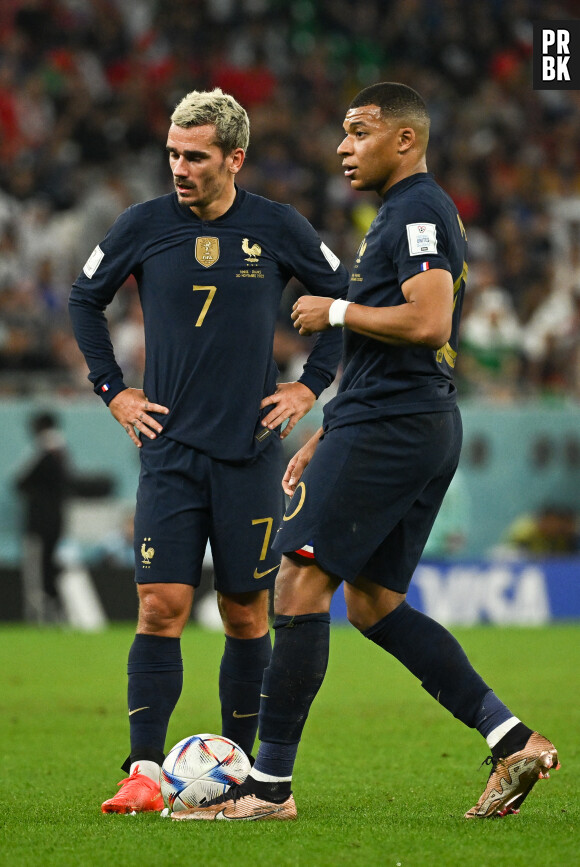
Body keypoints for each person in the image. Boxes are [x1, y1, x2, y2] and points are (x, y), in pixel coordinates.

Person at [173, 82, 559, 823]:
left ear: (405, 140)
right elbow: (397, 348)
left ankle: (268, 787)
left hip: (394, 426)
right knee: (375, 604)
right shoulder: (401, 213)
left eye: (358, 132)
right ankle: (511, 736)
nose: (343, 147)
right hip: (399, 419)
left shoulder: (417, 208)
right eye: (343, 134)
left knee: (298, 585)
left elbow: (429, 317)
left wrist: (336, 310)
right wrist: (330, 428)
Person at [68, 87, 349, 814]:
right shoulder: (142, 225)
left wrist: (308, 386)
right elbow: (82, 299)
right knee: (161, 605)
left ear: (234, 158)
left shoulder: (277, 226)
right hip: (168, 450)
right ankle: (141, 770)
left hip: (251, 452)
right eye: (172, 153)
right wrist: (114, 390)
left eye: (195, 156)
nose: (179, 167)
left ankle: (243, 775)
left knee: (246, 612)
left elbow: (343, 303)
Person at [15, 411, 71, 624]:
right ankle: (55, 610)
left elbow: (20, 482)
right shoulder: (62, 454)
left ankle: (40, 613)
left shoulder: (44, 454)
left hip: (39, 523)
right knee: (49, 565)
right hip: (56, 521)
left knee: (38, 569)